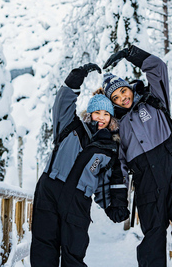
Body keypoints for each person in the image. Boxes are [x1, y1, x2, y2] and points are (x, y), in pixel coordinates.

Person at [102, 46, 172, 267]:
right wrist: (119, 200)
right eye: (116, 97)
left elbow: (158, 67)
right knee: (153, 238)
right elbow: (118, 166)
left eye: (123, 91)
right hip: (147, 183)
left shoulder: (153, 99)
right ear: (111, 103)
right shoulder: (117, 127)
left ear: (129, 87)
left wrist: (131, 54)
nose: (123, 98)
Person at [30, 63, 129, 267]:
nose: (101, 118)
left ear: (110, 117)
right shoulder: (71, 126)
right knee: (43, 248)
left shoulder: (110, 149)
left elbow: (113, 179)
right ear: (90, 113)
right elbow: (62, 103)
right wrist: (76, 78)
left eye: (106, 114)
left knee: (73, 254)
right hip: (50, 190)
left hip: (78, 201)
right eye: (97, 112)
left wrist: (116, 205)